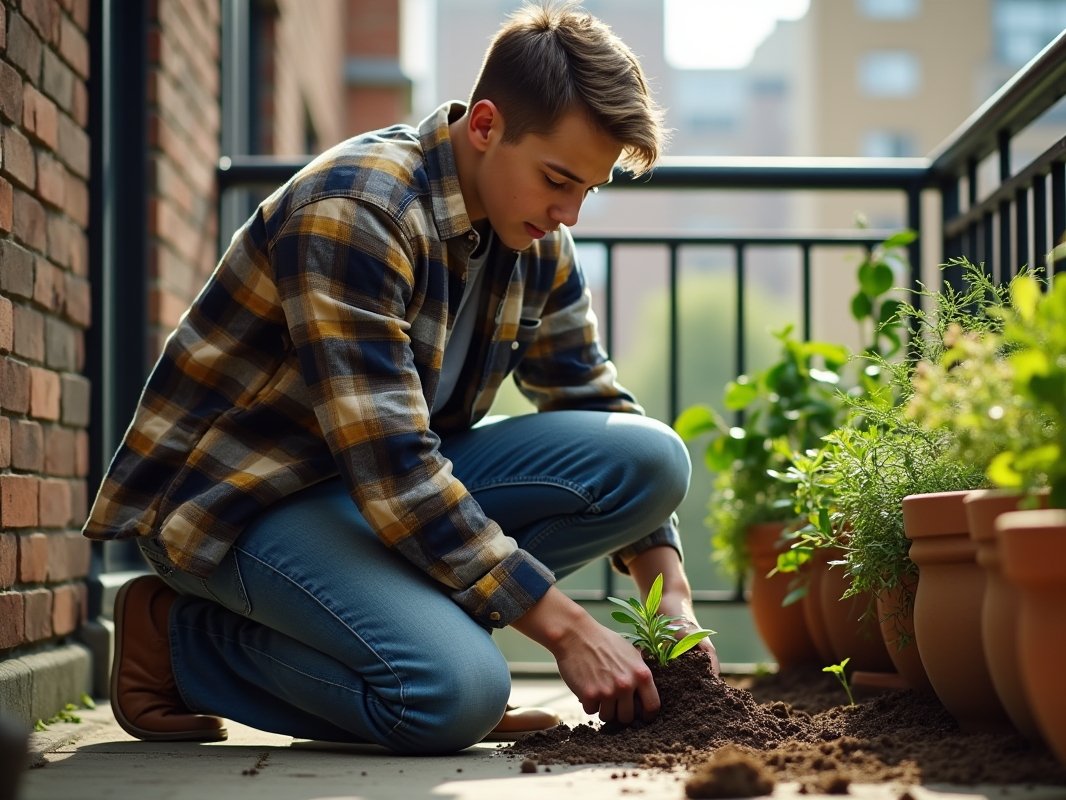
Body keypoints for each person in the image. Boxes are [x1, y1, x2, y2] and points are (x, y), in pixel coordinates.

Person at [84, 2, 718, 754]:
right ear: (484, 126)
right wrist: (568, 628)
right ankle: (180, 639)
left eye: (589, 187)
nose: (571, 212)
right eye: (557, 178)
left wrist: (667, 595)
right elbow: (395, 469)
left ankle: (425, 642)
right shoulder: (358, 209)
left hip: (376, 496)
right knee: (454, 699)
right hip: (240, 504)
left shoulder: (537, 235)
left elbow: (587, 394)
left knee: (651, 458)